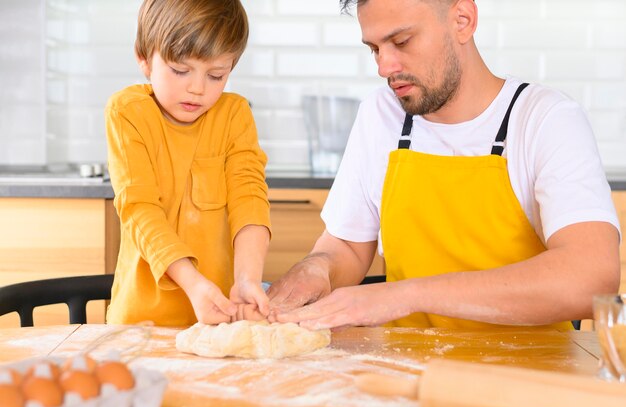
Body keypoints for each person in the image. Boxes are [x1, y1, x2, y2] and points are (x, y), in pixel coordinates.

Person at [268, 0, 621, 331]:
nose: (384, 67)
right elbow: (347, 245)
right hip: (406, 374)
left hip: (532, 381)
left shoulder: (545, 118)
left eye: (402, 41)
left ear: (462, 20)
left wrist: (405, 295)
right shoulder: (381, 115)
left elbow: (590, 277)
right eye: (374, 48)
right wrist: (318, 268)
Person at [105, 0, 271, 326]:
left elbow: (249, 198)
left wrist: (248, 278)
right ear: (144, 58)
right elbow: (139, 209)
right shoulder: (128, 112)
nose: (197, 88)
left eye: (216, 75)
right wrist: (193, 284)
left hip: (219, 319)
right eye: (180, 70)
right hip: (141, 324)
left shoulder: (234, 115)